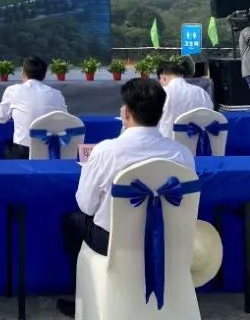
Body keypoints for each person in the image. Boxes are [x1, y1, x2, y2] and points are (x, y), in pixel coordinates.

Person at [56, 78, 195, 317]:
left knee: (73, 221)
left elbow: (86, 205)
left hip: (112, 242)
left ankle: (84, 296)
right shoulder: (182, 154)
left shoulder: (106, 151)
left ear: (126, 112)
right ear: (161, 113)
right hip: (168, 239)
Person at [0, 56, 68, 159]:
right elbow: (65, 122)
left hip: (20, 153)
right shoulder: (57, 94)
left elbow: (0, 119)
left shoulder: (12, 91)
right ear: (44, 75)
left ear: (23, 73)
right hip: (48, 153)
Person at [156, 61, 213, 138]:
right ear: (181, 76)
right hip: (199, 143)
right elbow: (211, 117)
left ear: (163, 78)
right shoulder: (201, 92)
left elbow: (152, 125)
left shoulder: (161, 93)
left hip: (168, 143)